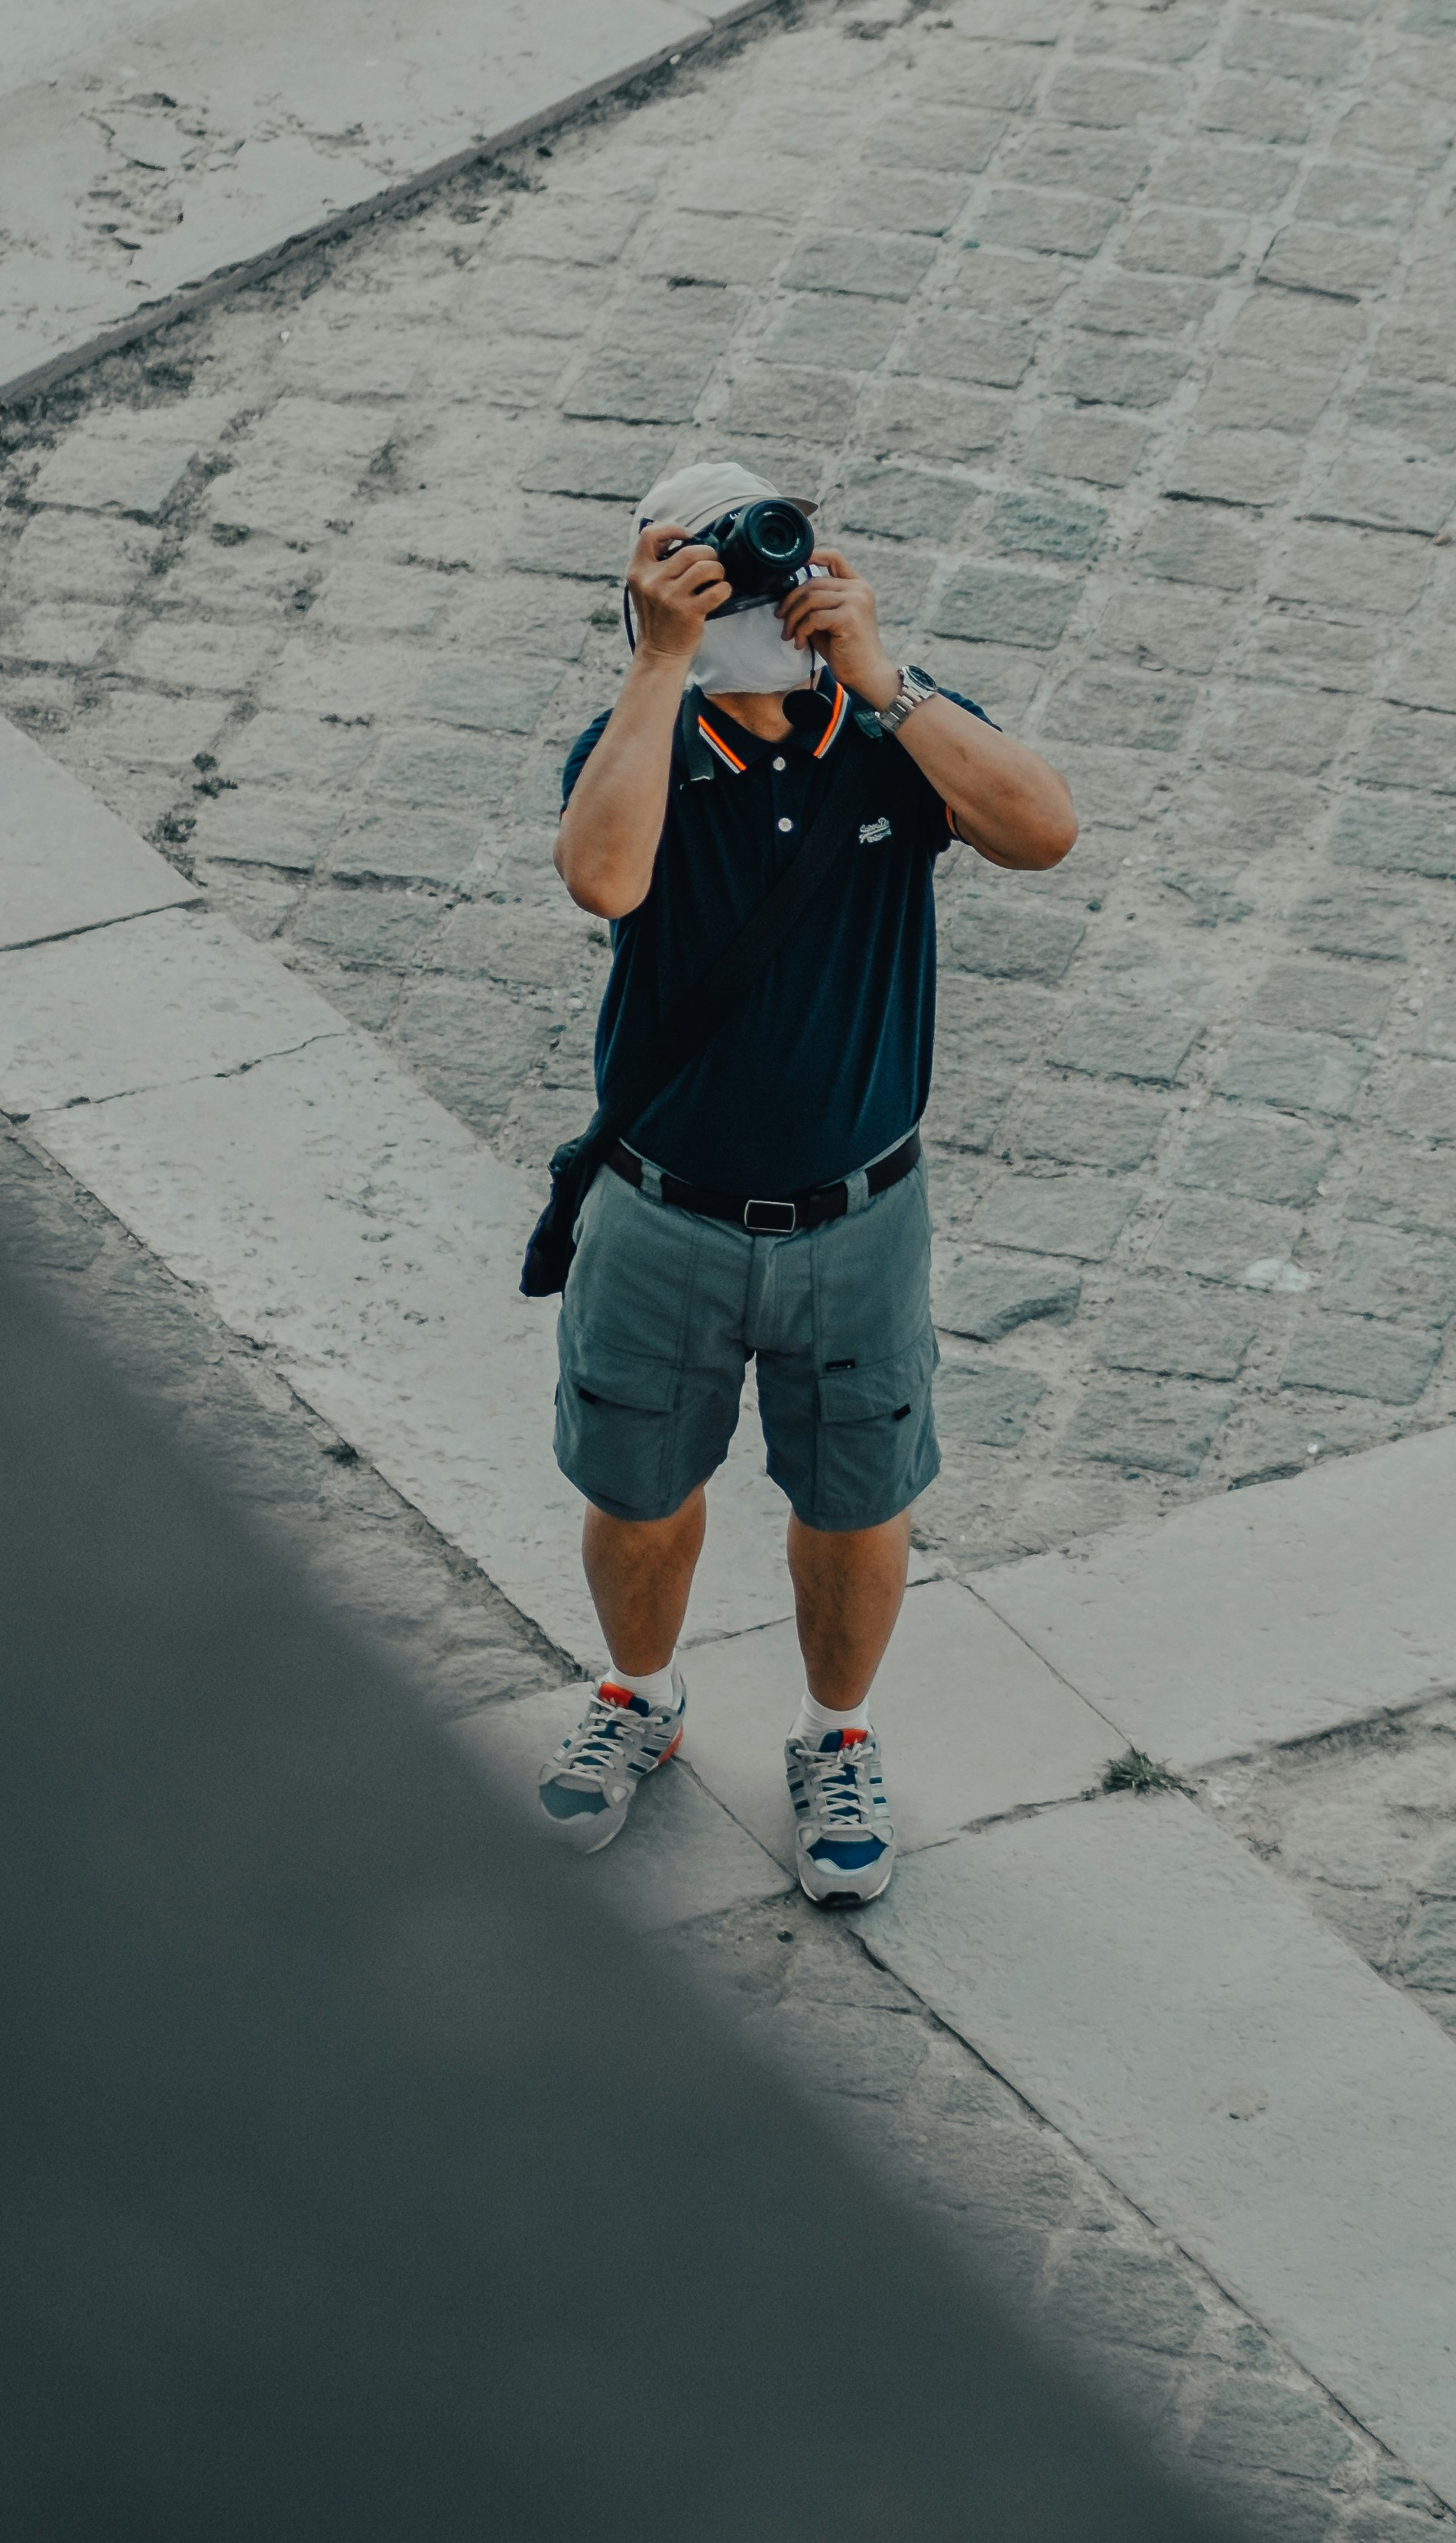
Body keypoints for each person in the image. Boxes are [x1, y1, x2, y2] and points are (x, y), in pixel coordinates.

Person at [533, 457, 1078, 1903]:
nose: (763, 576)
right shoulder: (636, 736)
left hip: (860, 1215)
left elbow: (1044, 830)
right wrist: (660, 664)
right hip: (663, 1209)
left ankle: (836, 1733)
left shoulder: (895, 728)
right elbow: (602, 877)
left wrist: (886, 676)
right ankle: (639, 1696)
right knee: (642, 1488)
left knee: (855, 1500)